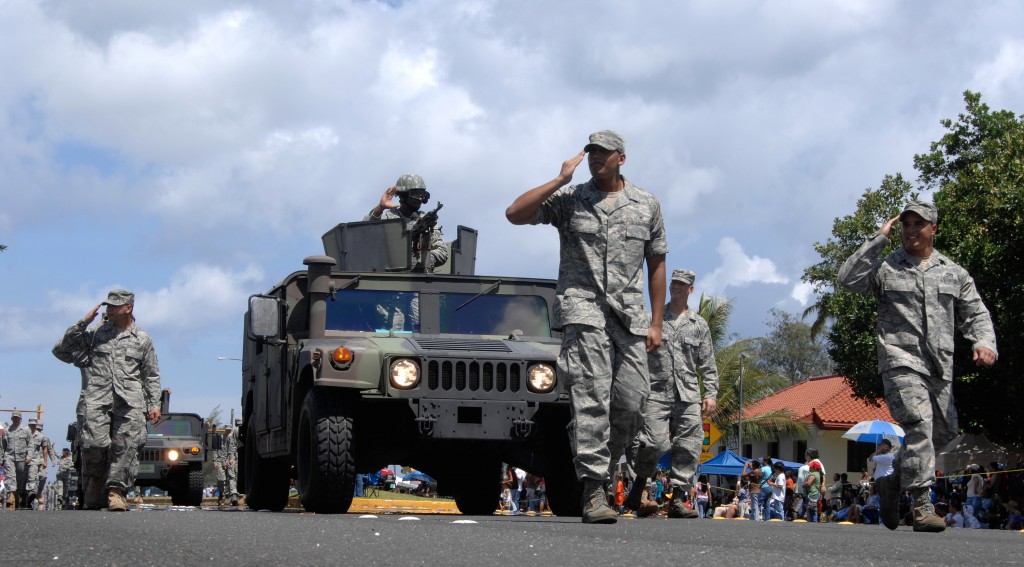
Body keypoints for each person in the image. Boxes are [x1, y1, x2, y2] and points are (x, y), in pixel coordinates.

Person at [505, 130, 668, 524]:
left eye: (603, 154)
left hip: (629, 317)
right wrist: (560, 179)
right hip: (583, 311)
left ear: (621, 158)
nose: (596, 159)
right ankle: (594, 490)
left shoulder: (646, 204)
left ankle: (605, 469)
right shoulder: (569, 199)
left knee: (632, 402)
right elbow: (515, 214)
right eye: (591, 153)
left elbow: (657, 261)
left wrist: (657, 321)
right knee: (591, 397)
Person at [838, 201, 998, 533]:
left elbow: (976, 312)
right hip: (899, 359)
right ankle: (922, 505)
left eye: (918, 224)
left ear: (933, 229)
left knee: (942, 432)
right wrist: (878, 239)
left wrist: (984, 342)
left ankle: (891, 483)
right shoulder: (886, 268)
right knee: (920, 424)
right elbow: (848, 280)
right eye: (906, 224)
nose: (911, 230)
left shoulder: (953, 272)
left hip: (939, 366)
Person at [52, 289, 162, 511]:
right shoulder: (96, 334)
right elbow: (61, 351)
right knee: (94, 444)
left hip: (129, 401)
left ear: (128, 308)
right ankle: (96, 480)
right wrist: (83, 323)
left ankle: (115, 491)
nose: (108, 309)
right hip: (96, 398)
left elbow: (150, 374)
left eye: (113, 305)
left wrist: (154, 404)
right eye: (107, 305)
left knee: (127, 446)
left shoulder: (142, 339)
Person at [625, 268, 718, 520]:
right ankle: (641, 485)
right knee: (653, 443)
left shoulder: (699, 325)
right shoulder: (653, 320)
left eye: (681, 284)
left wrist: (710, 393)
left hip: (687, 395)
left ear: (690, 289)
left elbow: (707, 363)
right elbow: (637, 356)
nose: (675, 287)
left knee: (688, 447)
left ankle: (677, 499)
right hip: (655, 392)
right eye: (673, 282)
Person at [364, 174, 448, 272]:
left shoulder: (426, 221)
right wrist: (380, 207)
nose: (421, 198)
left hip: (417, 279)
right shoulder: (388, 218)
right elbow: (364, 232)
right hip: (388, 277)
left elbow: (442, 252)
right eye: (416, 194)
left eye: (423, 194)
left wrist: (424, 258)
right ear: (403, 195)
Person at [5, 411, 34, 509]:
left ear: (20, 419)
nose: (16, 419)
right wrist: (1, 459)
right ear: (11, 419)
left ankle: (19, 496)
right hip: (9, 457)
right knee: (10, 476)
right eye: (14, 418)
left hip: (22, 458)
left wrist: (29, 456)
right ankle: (11, 496)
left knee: (20, 479)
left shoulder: (26, 430)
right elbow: (2, 446)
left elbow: (30, 444)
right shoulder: (7, 431)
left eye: (17, 418)